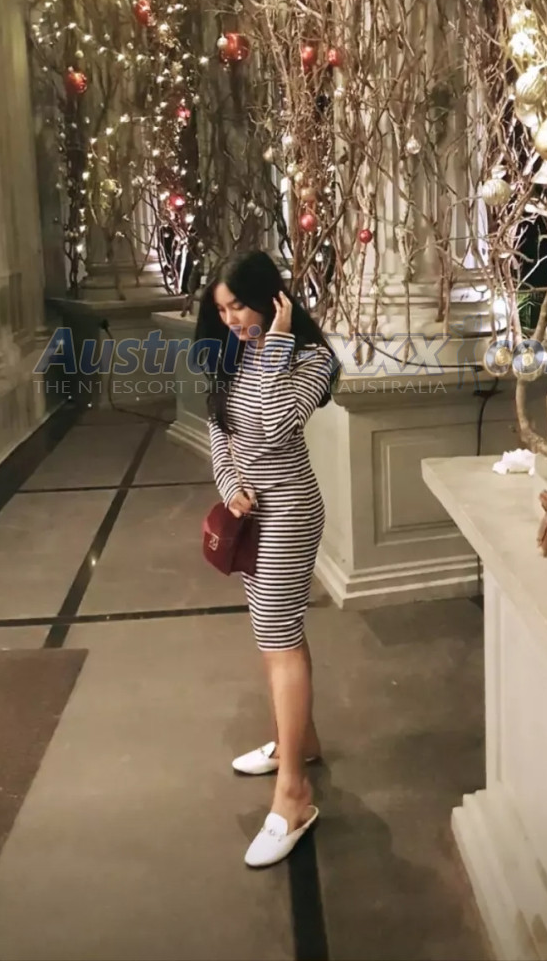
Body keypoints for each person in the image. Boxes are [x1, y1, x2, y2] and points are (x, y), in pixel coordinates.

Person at [194, 251, 339, 868]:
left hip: (290, 512)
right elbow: (220, 427)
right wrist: (230, 486)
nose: (231, 319)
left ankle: (294, 795)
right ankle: (297, 744)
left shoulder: (309, 358)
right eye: (222, 310)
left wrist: (276, 347)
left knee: (278, 639)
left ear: (271, 299)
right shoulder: (232, 353)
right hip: (250, 517)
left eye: (239, 306)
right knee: (275, 633)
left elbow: (275, 427)